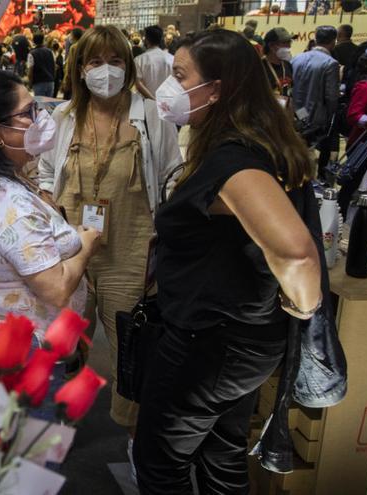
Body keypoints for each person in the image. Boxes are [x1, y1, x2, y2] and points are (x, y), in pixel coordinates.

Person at [133, 29, 321, 493]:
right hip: (238, 336)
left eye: (180, 76)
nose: (169, 87)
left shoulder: (234, 161)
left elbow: (295, 250)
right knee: (221, 453)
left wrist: (305, 303)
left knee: (160, 462)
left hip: (212, 342)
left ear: (216, 88)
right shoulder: (247, 145)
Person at [38, 24, 182, 456]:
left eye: (116, 61)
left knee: (129, 347)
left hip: (130, 250)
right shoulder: (62, 118)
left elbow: (173, 173)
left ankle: (135, 440)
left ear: (129, 65)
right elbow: (46, 175)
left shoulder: (151, 116)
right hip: (69, 250)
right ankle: (48, 427)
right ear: (80, 69)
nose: (106, 71)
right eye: (96, 62)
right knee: (60, 340)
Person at [0, 68, 101, 336]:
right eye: (27, 113)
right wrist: (84, 247)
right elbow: (55, 289)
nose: (40, 119)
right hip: (23, 351)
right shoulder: (8, 202)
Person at [339, 46, 367, 215]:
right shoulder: (364, 87)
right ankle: (336, 223)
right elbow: (354, 115)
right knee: (350, 187)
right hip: (362, 144)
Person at [292, 25, 340, 175]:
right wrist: (331, 116)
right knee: (309, 155)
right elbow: (331, 96)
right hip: (315, 116)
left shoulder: (296, 58)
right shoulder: (331, 63)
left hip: (295, 112)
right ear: (333, 42)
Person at [135, 25, 172, 97]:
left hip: (146, 104)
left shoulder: (139, 60)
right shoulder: (171, 58)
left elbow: (138, 84)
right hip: (167, 102)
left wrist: (153, 100)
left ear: (147, 40)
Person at [262, 27, 295, 102]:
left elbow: (293, 92)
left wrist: (302, 114)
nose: (289, 46)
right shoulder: (260, 67)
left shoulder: (287, 65)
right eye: (284, 43)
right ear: (271, 46)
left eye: (289, 42)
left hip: (286, 111)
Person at [28, 33, 57, 97]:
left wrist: (30, 83)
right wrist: (53, 78)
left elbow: (30, 70)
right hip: (50, 81)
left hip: (38, 82)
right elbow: (54, 66)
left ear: (33, 41)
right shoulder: (50, 52)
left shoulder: (31, 54)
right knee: (49, 105)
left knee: (40, 104)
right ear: (43, 40)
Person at [62, 28, 85, 100]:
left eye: (71, 35)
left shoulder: (74, 48)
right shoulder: (86, 46)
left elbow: (70, 67)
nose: (69, 37)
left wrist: (66, 82)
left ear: (74, 36)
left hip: (74, 80)